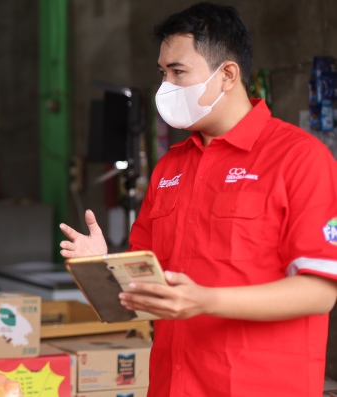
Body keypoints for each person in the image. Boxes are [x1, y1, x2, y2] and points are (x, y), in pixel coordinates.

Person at [59, 3, 337, 396]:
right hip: (173, 384)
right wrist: (103, 267)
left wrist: (206, 300)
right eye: (163, 73)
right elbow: (144, 293)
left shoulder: (299, 159)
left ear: (227, 75)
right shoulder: (170, 167)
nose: (166, 86)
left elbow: (321, 291)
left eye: (178, 72)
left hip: (260, 385)